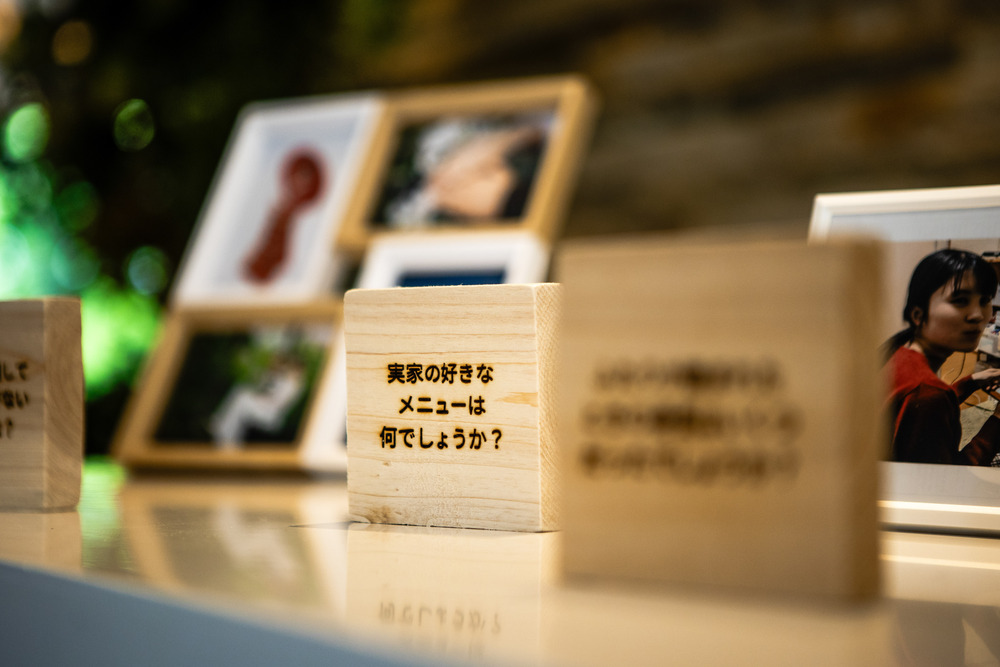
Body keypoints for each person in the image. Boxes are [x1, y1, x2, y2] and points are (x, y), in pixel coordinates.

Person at [885, 248, 1000, 465]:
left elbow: (917, 408)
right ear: (918, 314)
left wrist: (970, 383)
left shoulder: (897, 352)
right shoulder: (929, 394)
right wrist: (997, 420)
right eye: (960, 300)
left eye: (985, 300)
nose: (978, 315)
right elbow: (949, 475)